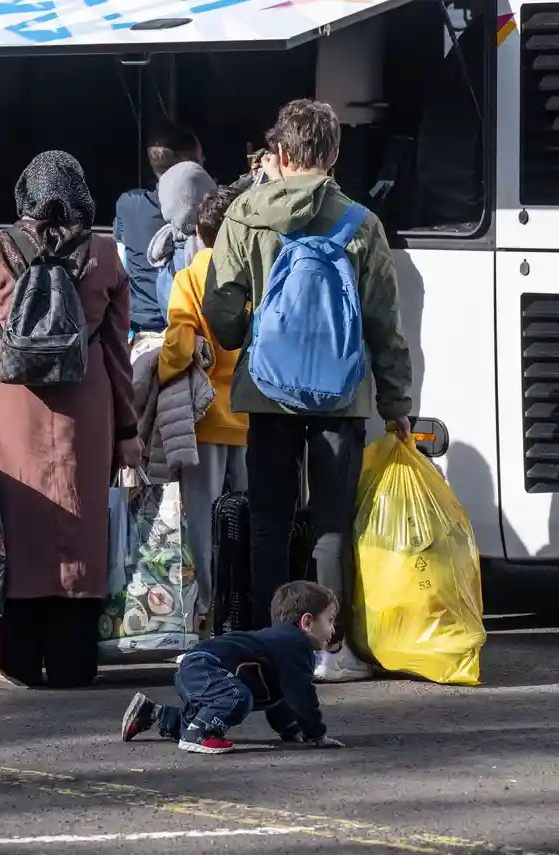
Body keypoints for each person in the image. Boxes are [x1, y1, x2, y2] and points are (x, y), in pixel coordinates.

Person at [202, 100, 414, 682]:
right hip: (342, 396)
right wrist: (397, 404)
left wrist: (253, 331)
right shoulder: (360, 223)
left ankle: (274, 645)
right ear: (334, 154)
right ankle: (329, 650)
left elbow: (220, 310)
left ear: (282, 152)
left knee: (269, 521)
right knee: (330, 523)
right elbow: (383, 326)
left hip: (268, 392)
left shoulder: (243, 215)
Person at [0, 151, 140, 689]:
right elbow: (118, 356)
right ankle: (75, 662)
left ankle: (19, 661)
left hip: (13, 410)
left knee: (19, 529)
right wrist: (127, 431)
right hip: (87, 410)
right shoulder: (103, 254)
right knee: (81, 528)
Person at [154, 186, 249, 624]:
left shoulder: (190, 277)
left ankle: (207, 609)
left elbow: (177, 346)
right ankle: (247, 604)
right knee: (250, 516)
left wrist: (158, 369)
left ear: (198, 230)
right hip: (252, 416)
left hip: (207, 419)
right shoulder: (253, 273)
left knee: (202, 519)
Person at [120, 580, 346, 754]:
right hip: (206, 666)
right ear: (307, 622)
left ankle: (153, 714)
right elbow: (301, 695)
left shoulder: (282, 646)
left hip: (198, 666)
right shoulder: (296, 644)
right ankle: (199, 735)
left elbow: (280, 698)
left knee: (201, 717)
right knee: (237, 697)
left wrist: (291, 730)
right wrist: (317, 734)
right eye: (330, 620)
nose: (333, 629)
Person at [113, 125, 203, 336]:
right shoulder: (204, 210)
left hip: (140, 327)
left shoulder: (128, 204)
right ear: (188, 167)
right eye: (199, 161)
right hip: (187, 328)